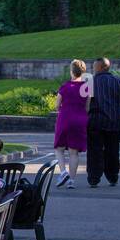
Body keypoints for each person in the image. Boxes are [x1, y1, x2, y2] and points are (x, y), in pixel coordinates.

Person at [86, 57, 120, 187]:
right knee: (113, 150)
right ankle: (112, 176)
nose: (93, 68)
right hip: (114, 122)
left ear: (101, 67)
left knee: (94, 150)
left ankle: (94, 178)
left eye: (95, 66)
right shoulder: (119, 82)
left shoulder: (90, 82)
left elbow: (83, 104)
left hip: (95, 122)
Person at [53, 59, 89, 188]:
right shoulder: (86, 87)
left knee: (59, 148)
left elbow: (57, 105)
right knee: (74, 152)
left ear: (71, 72)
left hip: (65, 118)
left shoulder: (65, 86)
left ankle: (63, 173)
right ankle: (71, 182)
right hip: (80, 119)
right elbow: (87, 107)